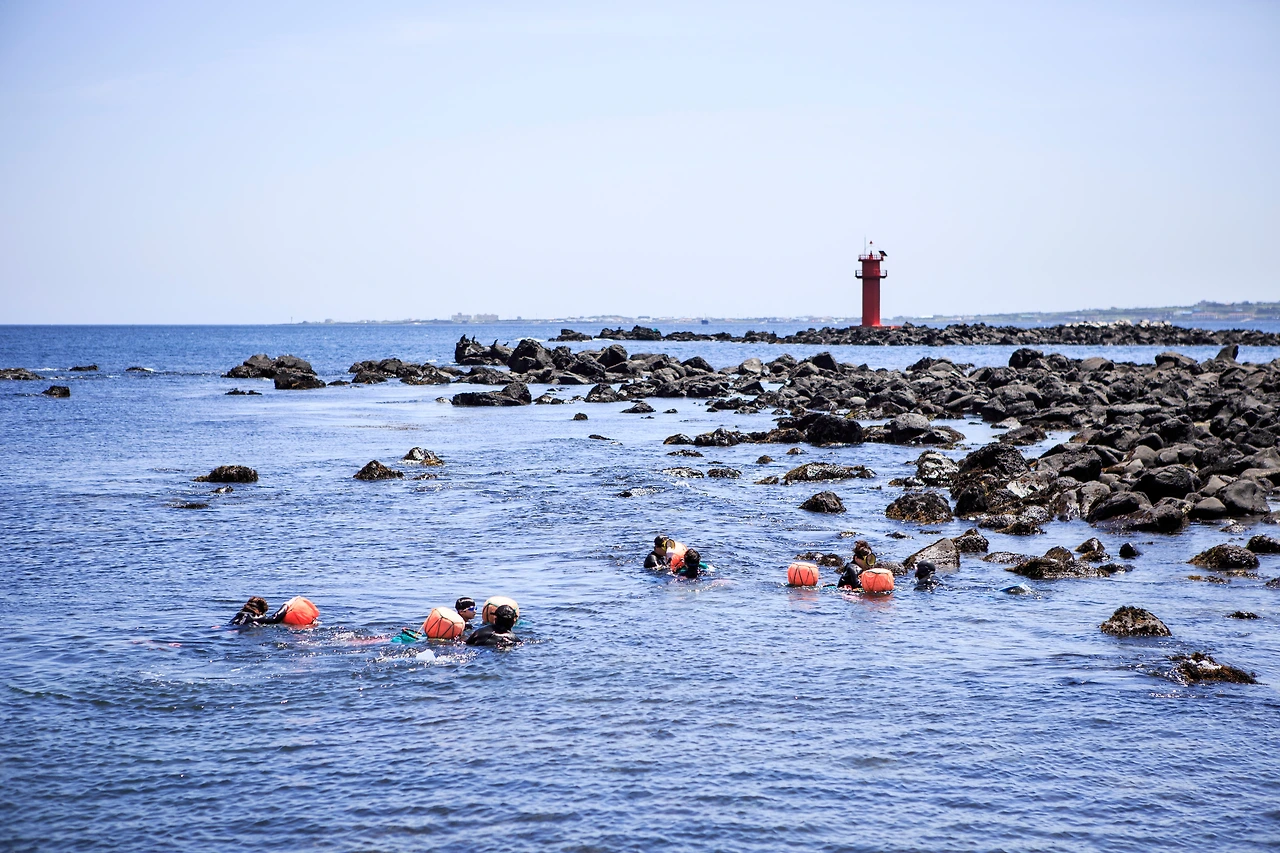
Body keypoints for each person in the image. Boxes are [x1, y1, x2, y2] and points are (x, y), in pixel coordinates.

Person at [229, 595, 319, 627]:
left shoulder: (239, 616)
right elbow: (275, 618)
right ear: (259, 611)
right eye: (263, 614)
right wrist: (287, 604)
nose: (263, 616)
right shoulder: (252, 617)